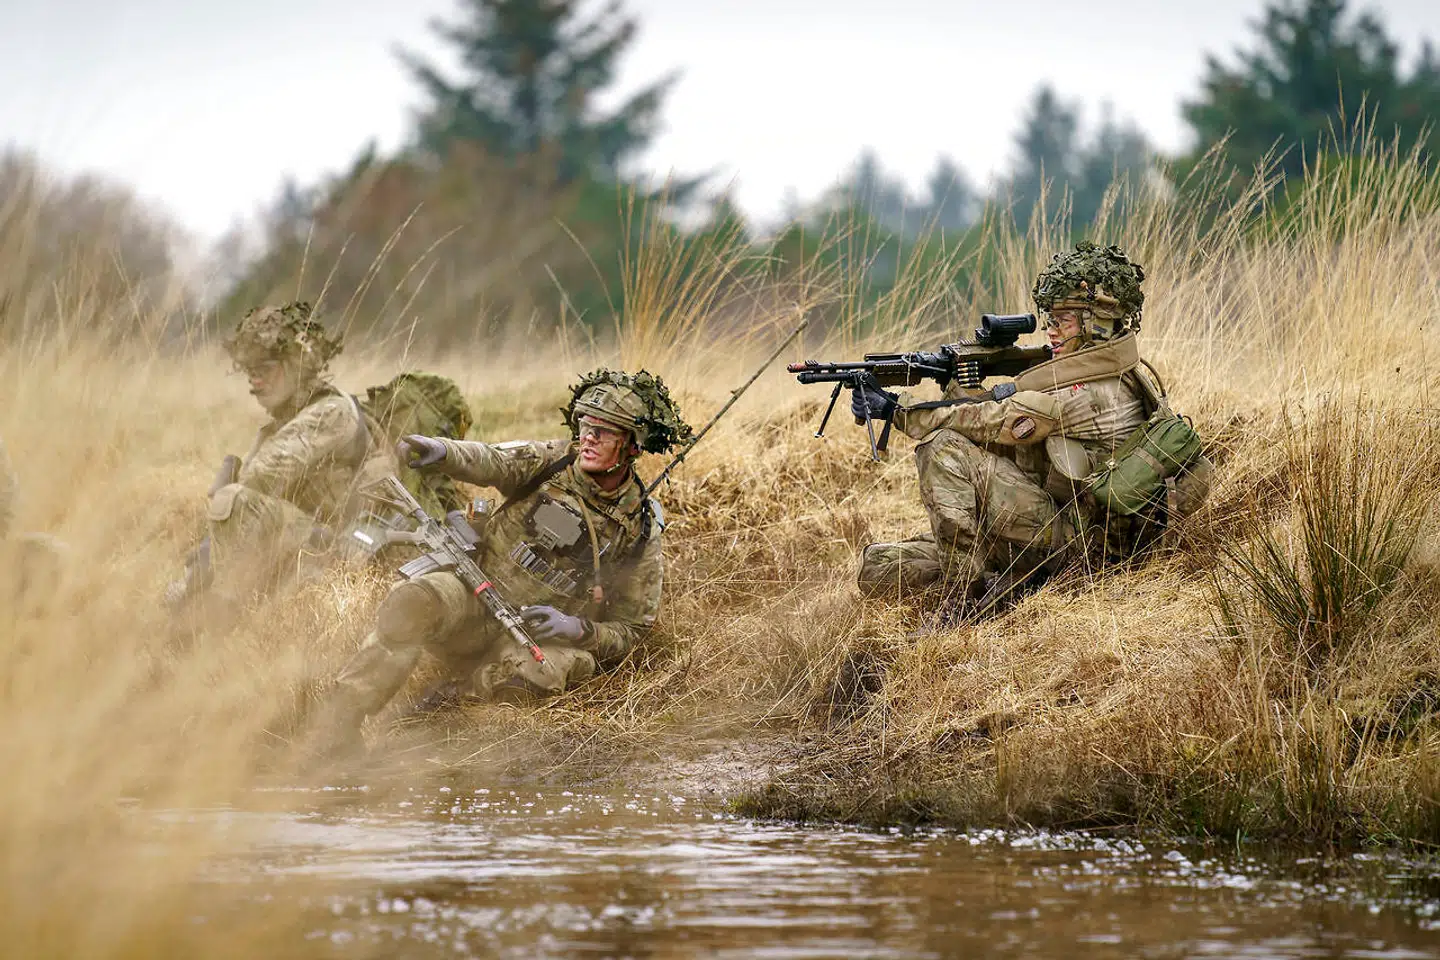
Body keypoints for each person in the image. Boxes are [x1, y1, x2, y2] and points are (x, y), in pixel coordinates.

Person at [303, 368, 689, 751]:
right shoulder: (551, 461)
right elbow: (490, 459)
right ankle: (340, 721)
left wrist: (575, 628)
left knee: (526, 680)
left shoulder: (638, 530)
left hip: (536, 641)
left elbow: (631, 631)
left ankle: (453, 701)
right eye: (585, 425)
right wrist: (443, 451)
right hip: (474, 595)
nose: (588, 438)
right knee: (410, 604)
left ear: (632, 446)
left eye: (603, 432)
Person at [853, 241, 1212, 614]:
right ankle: (1005, 583)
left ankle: (963, 601)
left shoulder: (1090, 391)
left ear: (1096, 324)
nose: (1051, 332)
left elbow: (992, 421)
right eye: (1049, 320)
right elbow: (999, 436)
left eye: (1063, 321)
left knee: (942, 448)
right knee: (879, 568)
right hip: (1046, 523)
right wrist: (957, 383)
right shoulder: (1113, 369)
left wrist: (896, 409)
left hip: (1077, 544)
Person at [165, 301, 399, 620]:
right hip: (307, 544)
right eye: (250, 372)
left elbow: (260, 477)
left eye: (264, 369)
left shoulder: (331, 412)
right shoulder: (282, 422)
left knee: (234, 500)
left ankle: (220, 614)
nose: (255, 382)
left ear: (297, 364)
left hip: (338, 550)